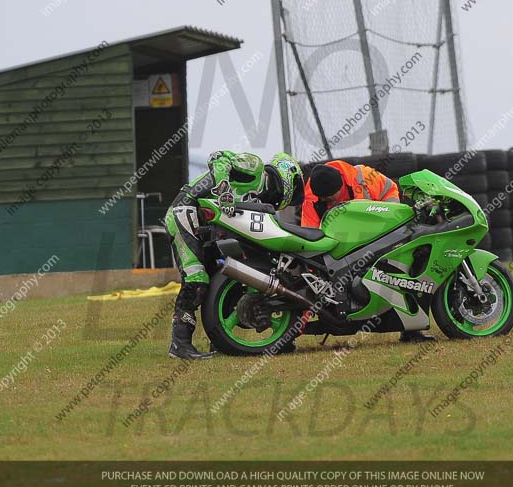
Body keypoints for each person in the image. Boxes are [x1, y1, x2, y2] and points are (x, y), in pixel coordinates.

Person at [164, 151, 304, 360]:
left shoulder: (259, 200)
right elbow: (219, 158)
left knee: (223, 281)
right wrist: (224, 189)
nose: (291, 199)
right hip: (185, 210)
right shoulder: (255, 167)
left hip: (206, 224)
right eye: (295, 190)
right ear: (287, 174)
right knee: (196, 279)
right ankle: (180, 344)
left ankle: (221, 341)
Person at [302, 160, 431, 343]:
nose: (326, 203)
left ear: (342, 187)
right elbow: (312, 237)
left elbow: (390, 189)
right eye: (323, 200)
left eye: (330, 198)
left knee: (404, 266)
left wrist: (393, 228)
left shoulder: (363, 178)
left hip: (383, 228)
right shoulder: (313, 197)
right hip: (344, 240)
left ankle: (410, 330)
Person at [300, 160, 399, 228]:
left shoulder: (365, 176)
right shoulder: (311, 200)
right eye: (320, 197)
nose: (322, 200)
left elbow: (390, 189)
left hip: (378, 219)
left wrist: (391, 217)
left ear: (340, 187)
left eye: (327, 197)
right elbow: (311, 234)